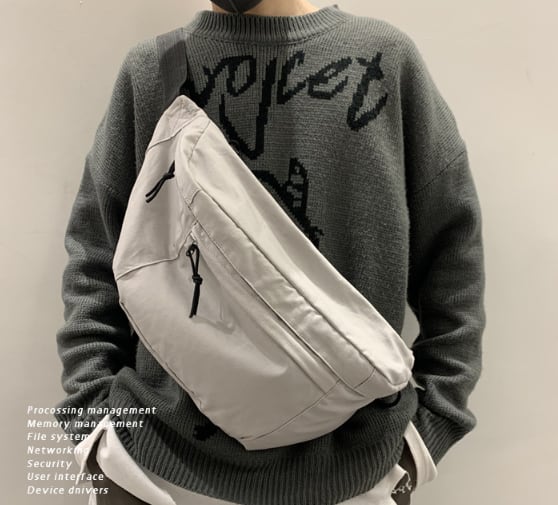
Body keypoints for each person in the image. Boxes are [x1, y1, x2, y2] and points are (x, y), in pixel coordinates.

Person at [53, 1, 486, 504]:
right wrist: (97, 436)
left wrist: (424, 437)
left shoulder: (387, 60)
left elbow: (454, 257)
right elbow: (95, 259)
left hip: (356, 475)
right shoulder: (152, 70)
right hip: (157, 472)